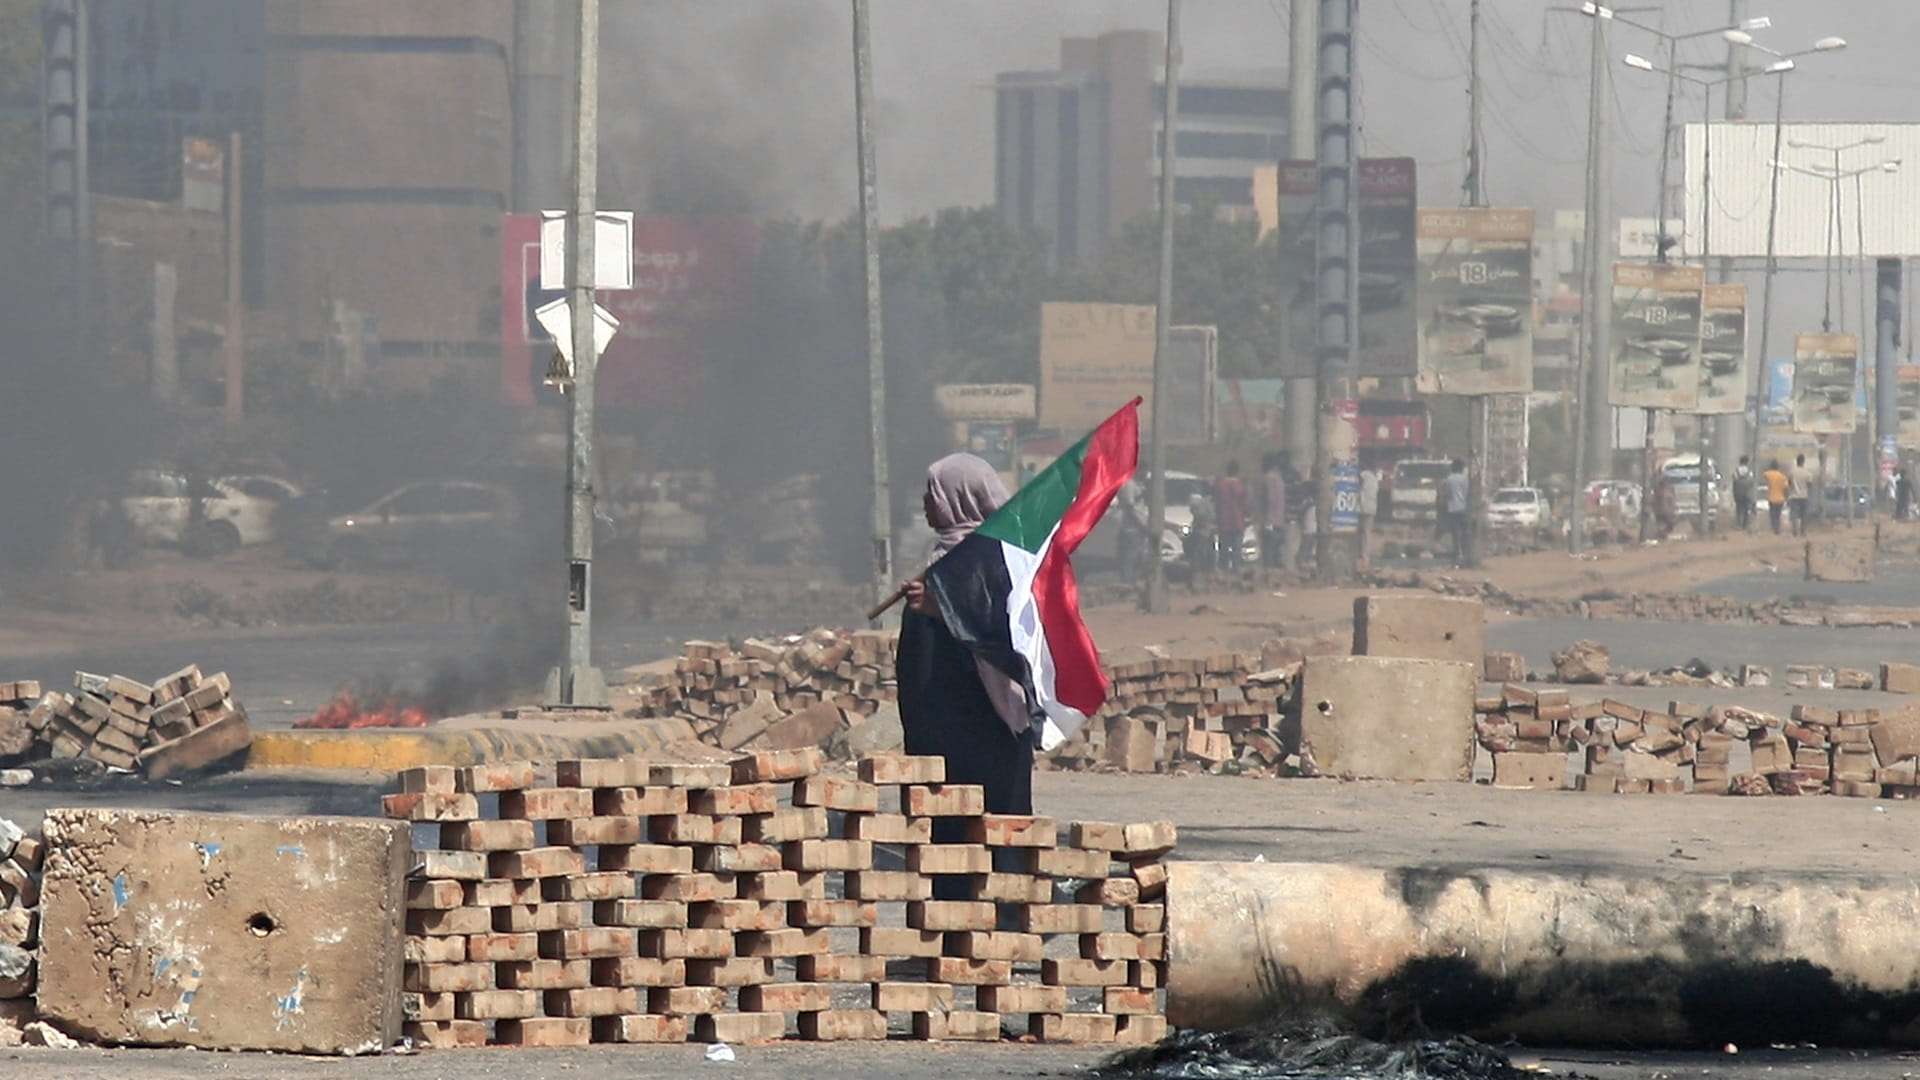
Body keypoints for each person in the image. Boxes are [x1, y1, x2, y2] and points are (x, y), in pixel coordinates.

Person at [896, 454, 1033, 901]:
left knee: (996, 820)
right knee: (949, 825)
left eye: (933, 492)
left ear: (961, 497)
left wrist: (940, 608)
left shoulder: (998, 558)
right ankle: (952, 927)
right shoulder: (944, 559)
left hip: (985, 718)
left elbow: (1003, 630)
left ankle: (1007, 920)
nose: (925, 503)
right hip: (944, 726)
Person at [1213, 460, 1249, 572]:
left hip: (1224, 522)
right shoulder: (1242, 486)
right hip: (1238, 522)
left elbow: (1216, 502)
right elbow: (1246, 504)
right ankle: (1235, 572)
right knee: (1236, 551)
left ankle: (1223, 572)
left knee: (1223, 550)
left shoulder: (1220, 485)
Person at [1261, 453, 1289, 576]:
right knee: (1277, 550)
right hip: (1279, 520)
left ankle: (1269, 575)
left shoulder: (1269, 478)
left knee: (1269, 551)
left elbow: (1270, 500)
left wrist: (1264, 520)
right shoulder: (1279, 479)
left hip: (1270, 520)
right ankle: (1277, 576)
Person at [1441, 458, 1469, 566]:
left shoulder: (1450, 479)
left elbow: (1447, 494)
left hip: (1453, 508)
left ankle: (1458, 553)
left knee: (1456, 533)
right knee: (1465, 531)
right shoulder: (1466, 479)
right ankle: (1465, 552)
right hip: (1465, 509)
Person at [1356, 463, 1380, 563]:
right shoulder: (1374, 479)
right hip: (1371, 508)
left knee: (1359, 532)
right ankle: (1365, 555)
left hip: (1361, 507)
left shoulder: (1363, 475)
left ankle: (1359, 554)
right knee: (1366, 533)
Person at [1788, 453, 1815, 536]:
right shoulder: (1807, 473)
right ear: (1803, 462)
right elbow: (1810, 485)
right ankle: (1803, 531)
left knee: (1794, 515)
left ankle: (1795, 531)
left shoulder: (1792, 472)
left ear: (1797, 461)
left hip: (1794, 496)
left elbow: (1789, 482)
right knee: (1804, 515)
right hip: (1804, 496)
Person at [1762, 459, 1789, 535]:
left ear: (1771, 466)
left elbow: (1764, 475)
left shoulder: (1769, 474)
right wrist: (1786, 497)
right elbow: (1786, 488)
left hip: (1772, 498)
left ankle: (1775, 528)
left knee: (1772, 515)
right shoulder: (1783, 477)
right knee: (1778, 514)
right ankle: (1777, 529)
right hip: (1781, 499)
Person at [1731, 455, 1756, 533]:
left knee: (1739, 508)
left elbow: (1734, 480)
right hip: (1747, 493)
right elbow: (1752, 482)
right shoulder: (1749, 471)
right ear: (1747, 462)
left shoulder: (1736, 471)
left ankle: (1739, 523)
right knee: (1746, 508)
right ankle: (1745, 524)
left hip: (1738, 492)